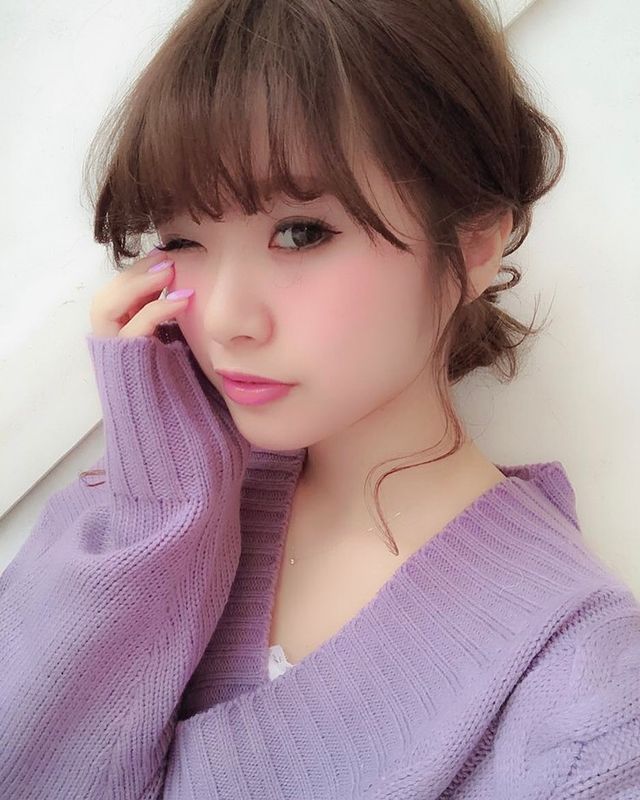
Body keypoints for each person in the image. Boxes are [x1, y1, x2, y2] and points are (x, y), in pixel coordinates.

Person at [1, 0, 639, 797]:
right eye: (182, 240)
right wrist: (153, 512)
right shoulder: (131, 513)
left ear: (474, 242)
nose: (225, 319)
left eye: (301, 233)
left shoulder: (587, 701)